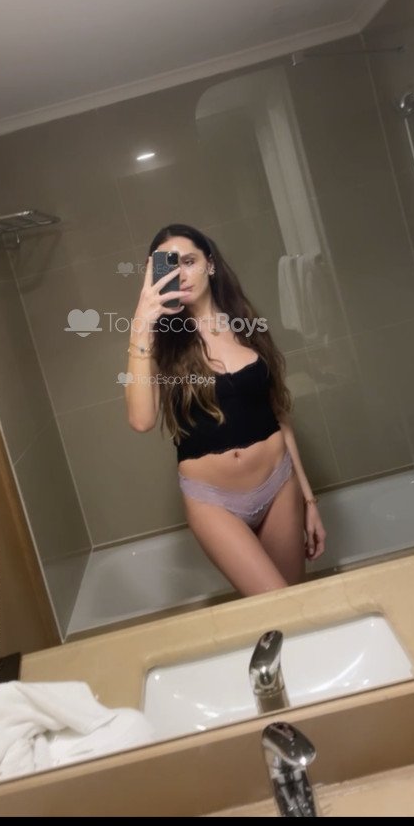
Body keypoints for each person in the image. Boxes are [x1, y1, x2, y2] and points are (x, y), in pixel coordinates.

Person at [124, 223, 326, 597]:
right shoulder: (159, 343)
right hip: (213, 501)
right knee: (272, 602)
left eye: (189, 261)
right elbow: (141, 420)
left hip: (279, 483)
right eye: (170, 267)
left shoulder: (246, 323)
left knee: (296, 602)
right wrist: (141, 324)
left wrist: (309, 499)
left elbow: (279, 414)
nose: (182, 274)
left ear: (210, 264)